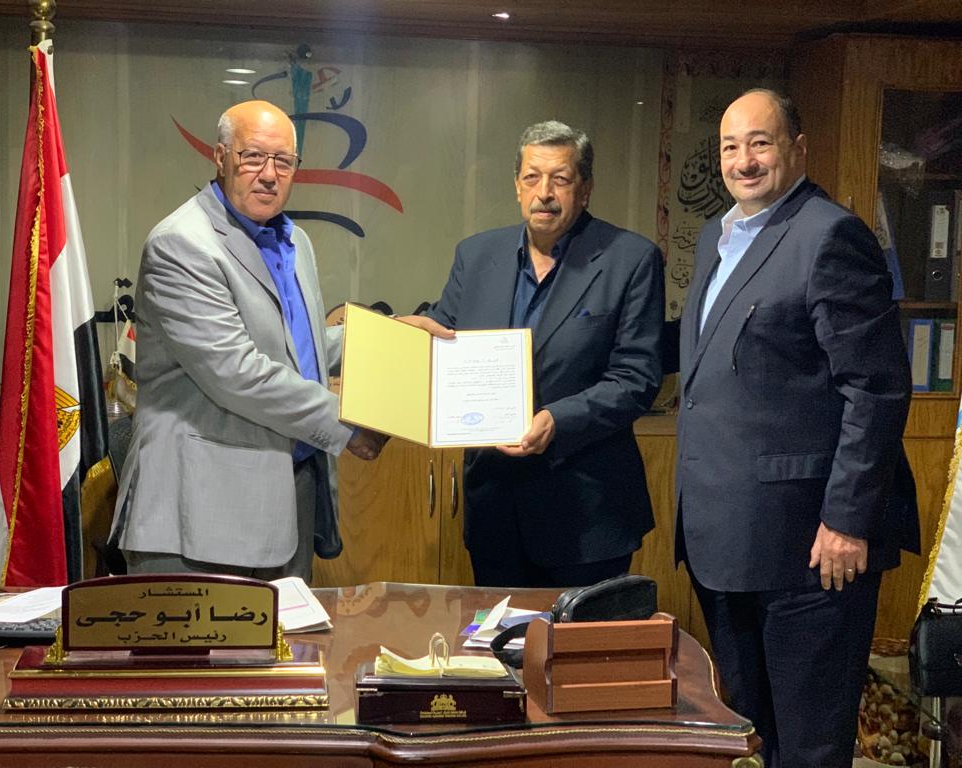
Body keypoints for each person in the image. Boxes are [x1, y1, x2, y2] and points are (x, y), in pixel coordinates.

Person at [676, 88, 919, 768]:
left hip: (812, 549)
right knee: (757, 738)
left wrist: (847, 520)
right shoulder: (717, 237)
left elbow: (875, 388)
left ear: (798, 147)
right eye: (730, 146)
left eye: (761, 142)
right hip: (728, 541)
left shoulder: (830, 235)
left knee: (810, 748)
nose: (744, 160)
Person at [110, 100, 384, 582]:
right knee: (203, 637)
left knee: (288, 634)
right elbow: (237, 372)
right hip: (201, 516)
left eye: (283, 161)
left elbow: (297, 345)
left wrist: (390, 341)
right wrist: (345, 425)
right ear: (220, 158)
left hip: (288, 499)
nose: (269, 175)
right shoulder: (182, 244)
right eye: (253, 157)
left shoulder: (294, 242)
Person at [403, 120, 664, 588]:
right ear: (517, 186)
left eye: (560, 179)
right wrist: (407, 340)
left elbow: (636, 378)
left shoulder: (630, 259)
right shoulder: (476, 255)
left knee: (577, 638)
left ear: (585, 188)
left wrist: (557, 420)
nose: (544, 193)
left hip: (586, 515)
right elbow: (446, 338)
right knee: (500, 636)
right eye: (532, 177)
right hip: (494, 509)